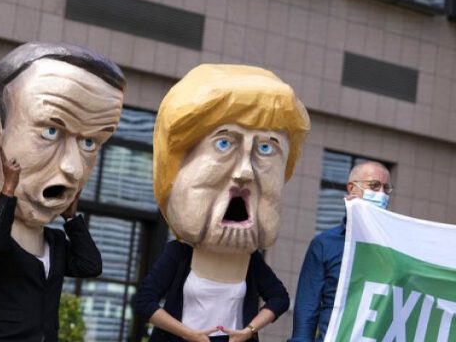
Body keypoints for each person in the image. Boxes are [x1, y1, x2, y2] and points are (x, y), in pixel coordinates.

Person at [133, 64, 308, 342]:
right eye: (224, 144)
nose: (244, 172)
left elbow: (279, 299)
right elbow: (144, 303)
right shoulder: (179, 255)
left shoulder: (251, 261)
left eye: (265, 148)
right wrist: (189, 334)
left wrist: (248, 331)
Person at [0, 43, 124, 341]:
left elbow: (90, 265)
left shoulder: (54, 243)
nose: (74, 169)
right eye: (51, 131)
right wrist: (9, 189)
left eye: (90, 143)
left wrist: (72, 219)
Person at [288, 161, 392, 342]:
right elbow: (308, 308)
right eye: (374, 186)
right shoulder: (325, 244)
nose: (381, 194)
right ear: (352, 188)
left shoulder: (395, 247)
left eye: (386, 188)